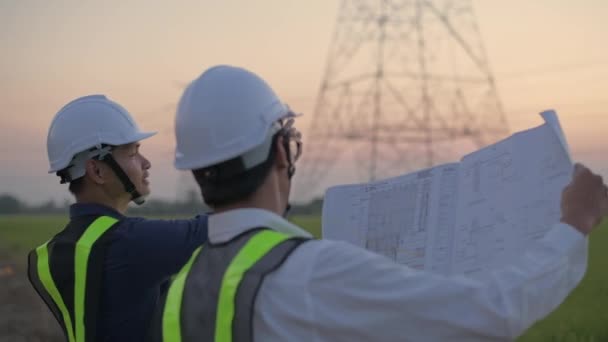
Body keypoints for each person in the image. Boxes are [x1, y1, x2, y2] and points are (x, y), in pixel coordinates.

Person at [154, 65, 608, 341]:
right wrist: (573, 224)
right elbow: (489, 313)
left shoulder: (182, 285)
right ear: (282, 151)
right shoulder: (312, 272)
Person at [27, 95, 209, 342]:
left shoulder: (56, 250)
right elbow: (225, 226)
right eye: (133, 152)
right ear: (97, 171)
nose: (146, 163)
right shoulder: (129, 242)